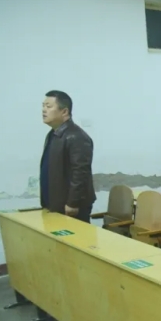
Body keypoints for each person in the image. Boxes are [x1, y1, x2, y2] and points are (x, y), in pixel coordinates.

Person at [40, 90, 96, 222]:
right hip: (54, 203)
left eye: (49, 106)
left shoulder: (76, 136)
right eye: (43, 106)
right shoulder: (53, 134)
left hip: (70, 207)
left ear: (64, 111)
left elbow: (80, 172)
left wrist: (73, 203)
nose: (43, 110)